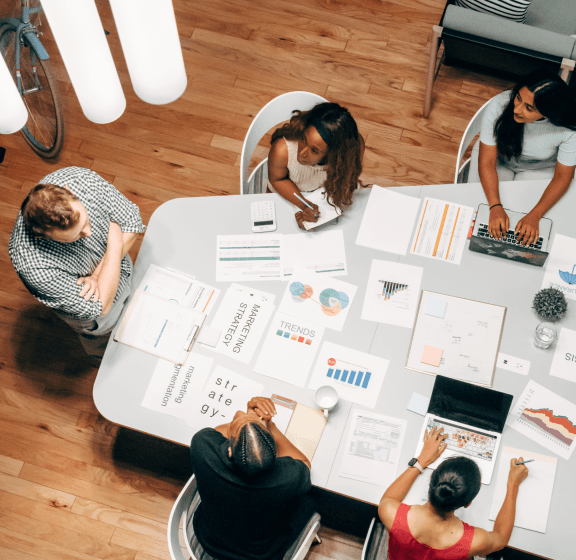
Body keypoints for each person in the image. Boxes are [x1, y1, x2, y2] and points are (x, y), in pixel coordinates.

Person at [9, 167, 146, 361]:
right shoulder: (32, 265)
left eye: (86, 222)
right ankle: (102, 360)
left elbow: (133, 221)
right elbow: (100, 307)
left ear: (71, 192)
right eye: (76, 236)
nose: (88, 233)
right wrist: (114, 243)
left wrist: (98, 275)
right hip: (102, 318)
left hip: (123, 272)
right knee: (109, 346)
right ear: (42, 235)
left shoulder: (80, 179)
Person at [189, 397, 315, 560]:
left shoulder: (202, 445)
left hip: (208, 538)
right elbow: (305, 464)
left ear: (229, 451)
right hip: (259, 555)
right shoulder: (288, 476)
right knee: (307, 501)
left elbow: (216, 433)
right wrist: (269, 428)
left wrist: (238, 422)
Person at [378, 426, 529, 559]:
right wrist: (513, 484)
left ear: (432, 480)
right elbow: (501, 538)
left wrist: (422, 460)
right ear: (468, 503)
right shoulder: (475, 542)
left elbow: (389, 498)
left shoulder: (390, 513)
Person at [469, 69, 576, 246]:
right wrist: (495, 206)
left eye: (529, 108)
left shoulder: (568, 128)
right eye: (518, 98)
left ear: (548, 113)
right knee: (480, 212)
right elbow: (487, 161)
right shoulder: (500, 105)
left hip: (539, 167)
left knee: (537, 221)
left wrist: (535, 215)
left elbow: (563, 176)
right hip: (498, 160)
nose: (516, 109)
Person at [267, 101, 365, 229]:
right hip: (284, 193)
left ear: (334, 156)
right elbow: (277, 179)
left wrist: (318, 209)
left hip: (322, 194)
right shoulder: (282, 149)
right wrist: (304, 205)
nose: (301, 152)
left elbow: (345, 181)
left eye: (314, 150)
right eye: (303, 139)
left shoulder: (354, 150)